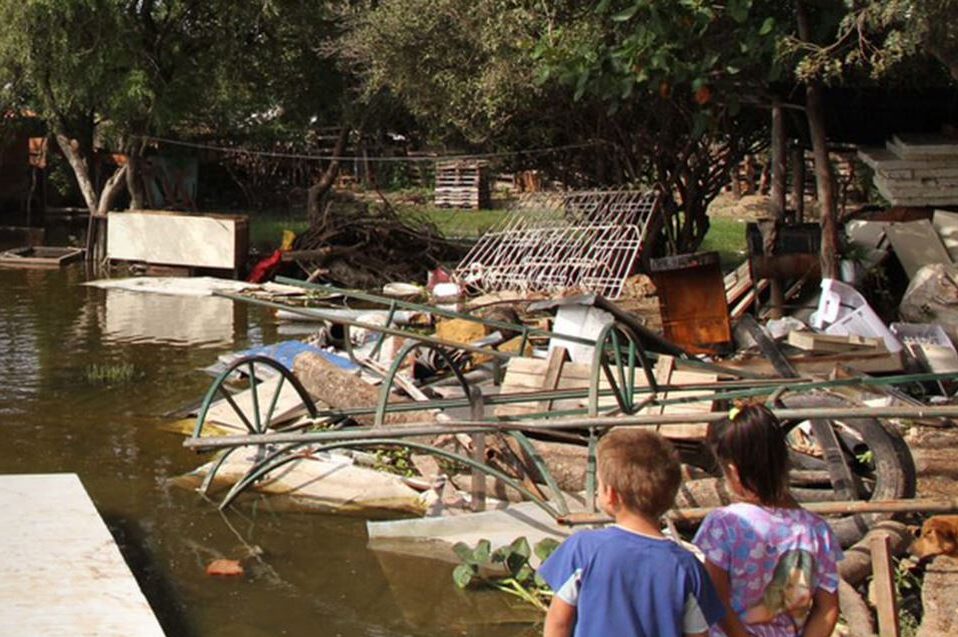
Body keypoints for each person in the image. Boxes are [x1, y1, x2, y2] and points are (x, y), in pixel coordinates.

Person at [539, 428, 725, 637]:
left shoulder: (583, 549)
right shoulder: (688, 567)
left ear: (610, 494)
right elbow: (698, 634)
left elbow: (558, 623)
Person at [693, 404, 843, 637]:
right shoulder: (816, 530)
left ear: (733, 471)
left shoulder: (722, 525)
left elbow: (714, 600)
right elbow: (828, 607)